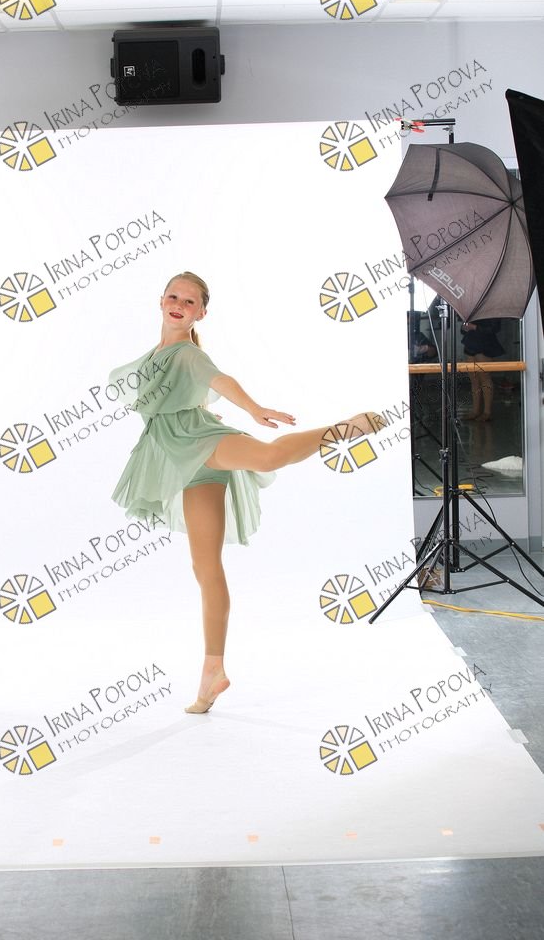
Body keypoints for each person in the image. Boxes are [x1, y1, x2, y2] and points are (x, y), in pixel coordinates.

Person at [107, 272, 385, 714]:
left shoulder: (188, 353)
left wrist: (255, 409)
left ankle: (345, 428)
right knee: (205, 568)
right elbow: (176, 394)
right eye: (173, 297)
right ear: (160, 301)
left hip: (199, 442)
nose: (179, 304)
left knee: (269, 457)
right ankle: (211, 672)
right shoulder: (158, 355)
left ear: (201, 313)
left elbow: (221, 380)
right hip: (181, 461)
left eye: (190, 301)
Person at [460, 318, 504, 422]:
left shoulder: (491, 310)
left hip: (485, 346)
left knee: (485, 378)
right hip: (470, 345)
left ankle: (487, 412)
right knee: (474, 380)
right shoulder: (470, 310)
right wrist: (464, 327)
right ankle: (475, 411)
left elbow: (495, 328)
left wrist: (474, 327)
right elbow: (462, 330)